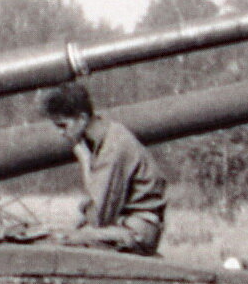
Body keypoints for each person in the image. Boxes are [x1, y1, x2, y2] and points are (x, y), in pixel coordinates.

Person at [41, 81, 165, 253]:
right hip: (125, 226)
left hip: (137, 232)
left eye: (63, 125)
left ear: (82, 119)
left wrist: (85, 162)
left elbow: (99, 218)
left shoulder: (112, 147)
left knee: (61, 242)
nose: (61, 133)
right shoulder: (105, 136)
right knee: (57, 235)